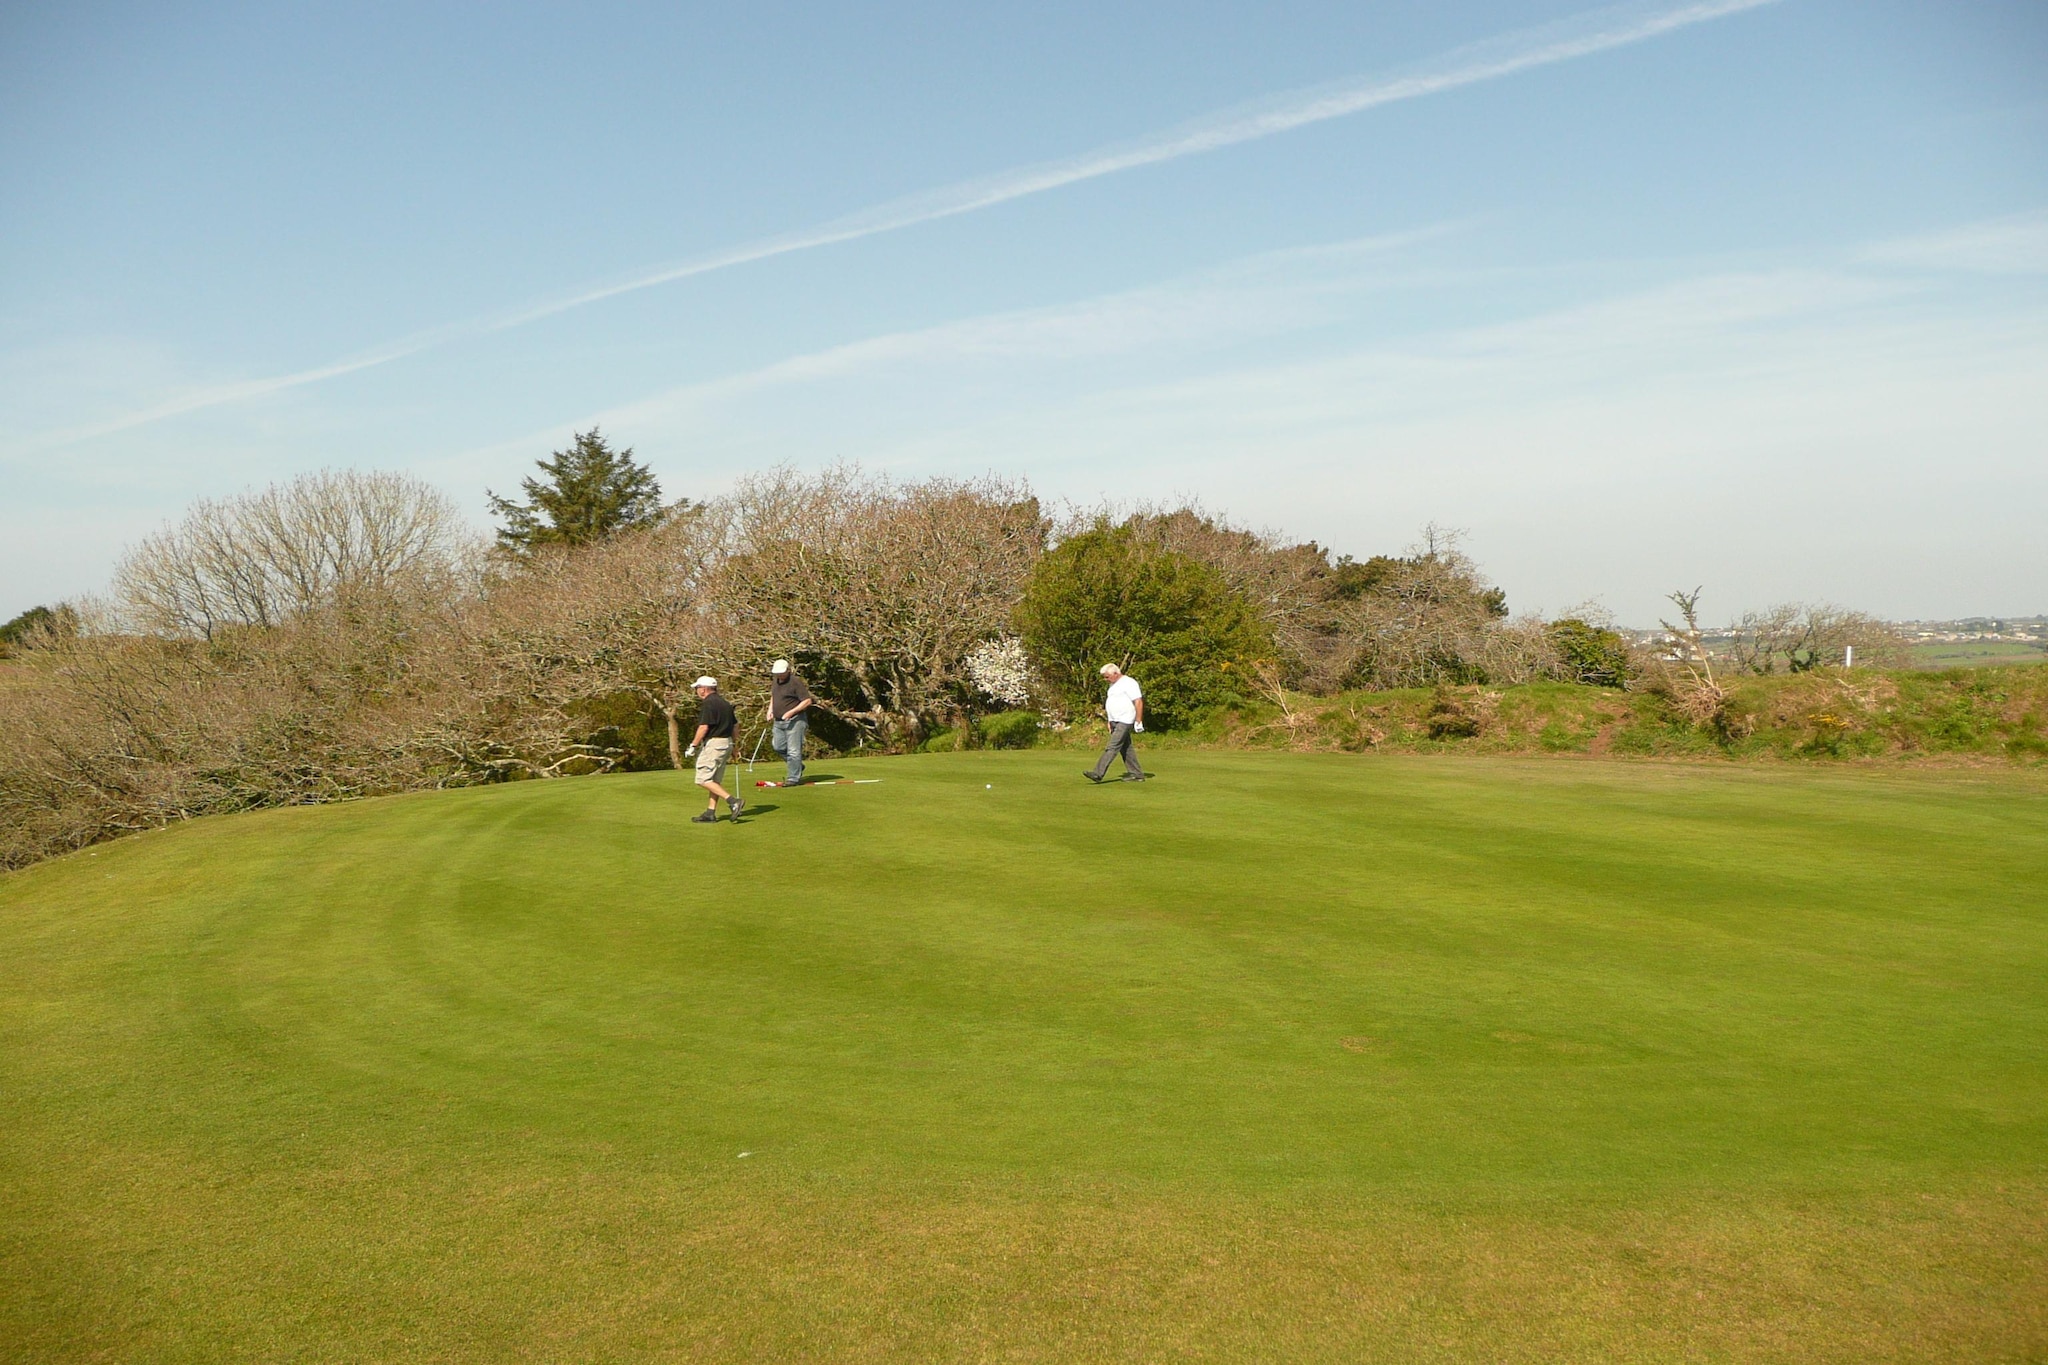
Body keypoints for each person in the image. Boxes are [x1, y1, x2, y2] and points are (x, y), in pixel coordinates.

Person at [683, 676, 745, 823]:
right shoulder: (725, 703)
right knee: (714, 780)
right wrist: (735, 746)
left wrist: (693, 745)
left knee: (702, 779)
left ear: (704, 689)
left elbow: (704, 727)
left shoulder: (708, 704)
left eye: (697, 688)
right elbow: (735, 726)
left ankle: (732, 801)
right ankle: (710, 813)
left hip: (715, 744)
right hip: (726, 743)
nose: (697, 691)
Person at [1084, 663, 1148, 783]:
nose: (1105, 679)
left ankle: (1098, 773)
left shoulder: (1129, 683)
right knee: (1126, 748)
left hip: (1125, 720)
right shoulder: (1113, 686)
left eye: (1107, 677)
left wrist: (1138, 720)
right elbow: (1112, 703)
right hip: (1115, 721)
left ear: (1115, 673)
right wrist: (1110, 720)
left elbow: (1138, 701)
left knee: (1112, 746)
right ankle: (1137, 774)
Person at [765, 658, 813, 786]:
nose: (779, 675)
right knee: (778, 746)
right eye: (777, 673)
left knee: (793, 751)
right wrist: (770, 710)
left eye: (781, 673)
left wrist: (791, 712)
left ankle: (793, 778)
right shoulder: (775, 681)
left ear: (788, 670)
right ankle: (797, 766)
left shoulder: (795, 683)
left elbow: (807, 701)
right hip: (778, 721)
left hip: (795, 721)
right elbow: (774, 696)